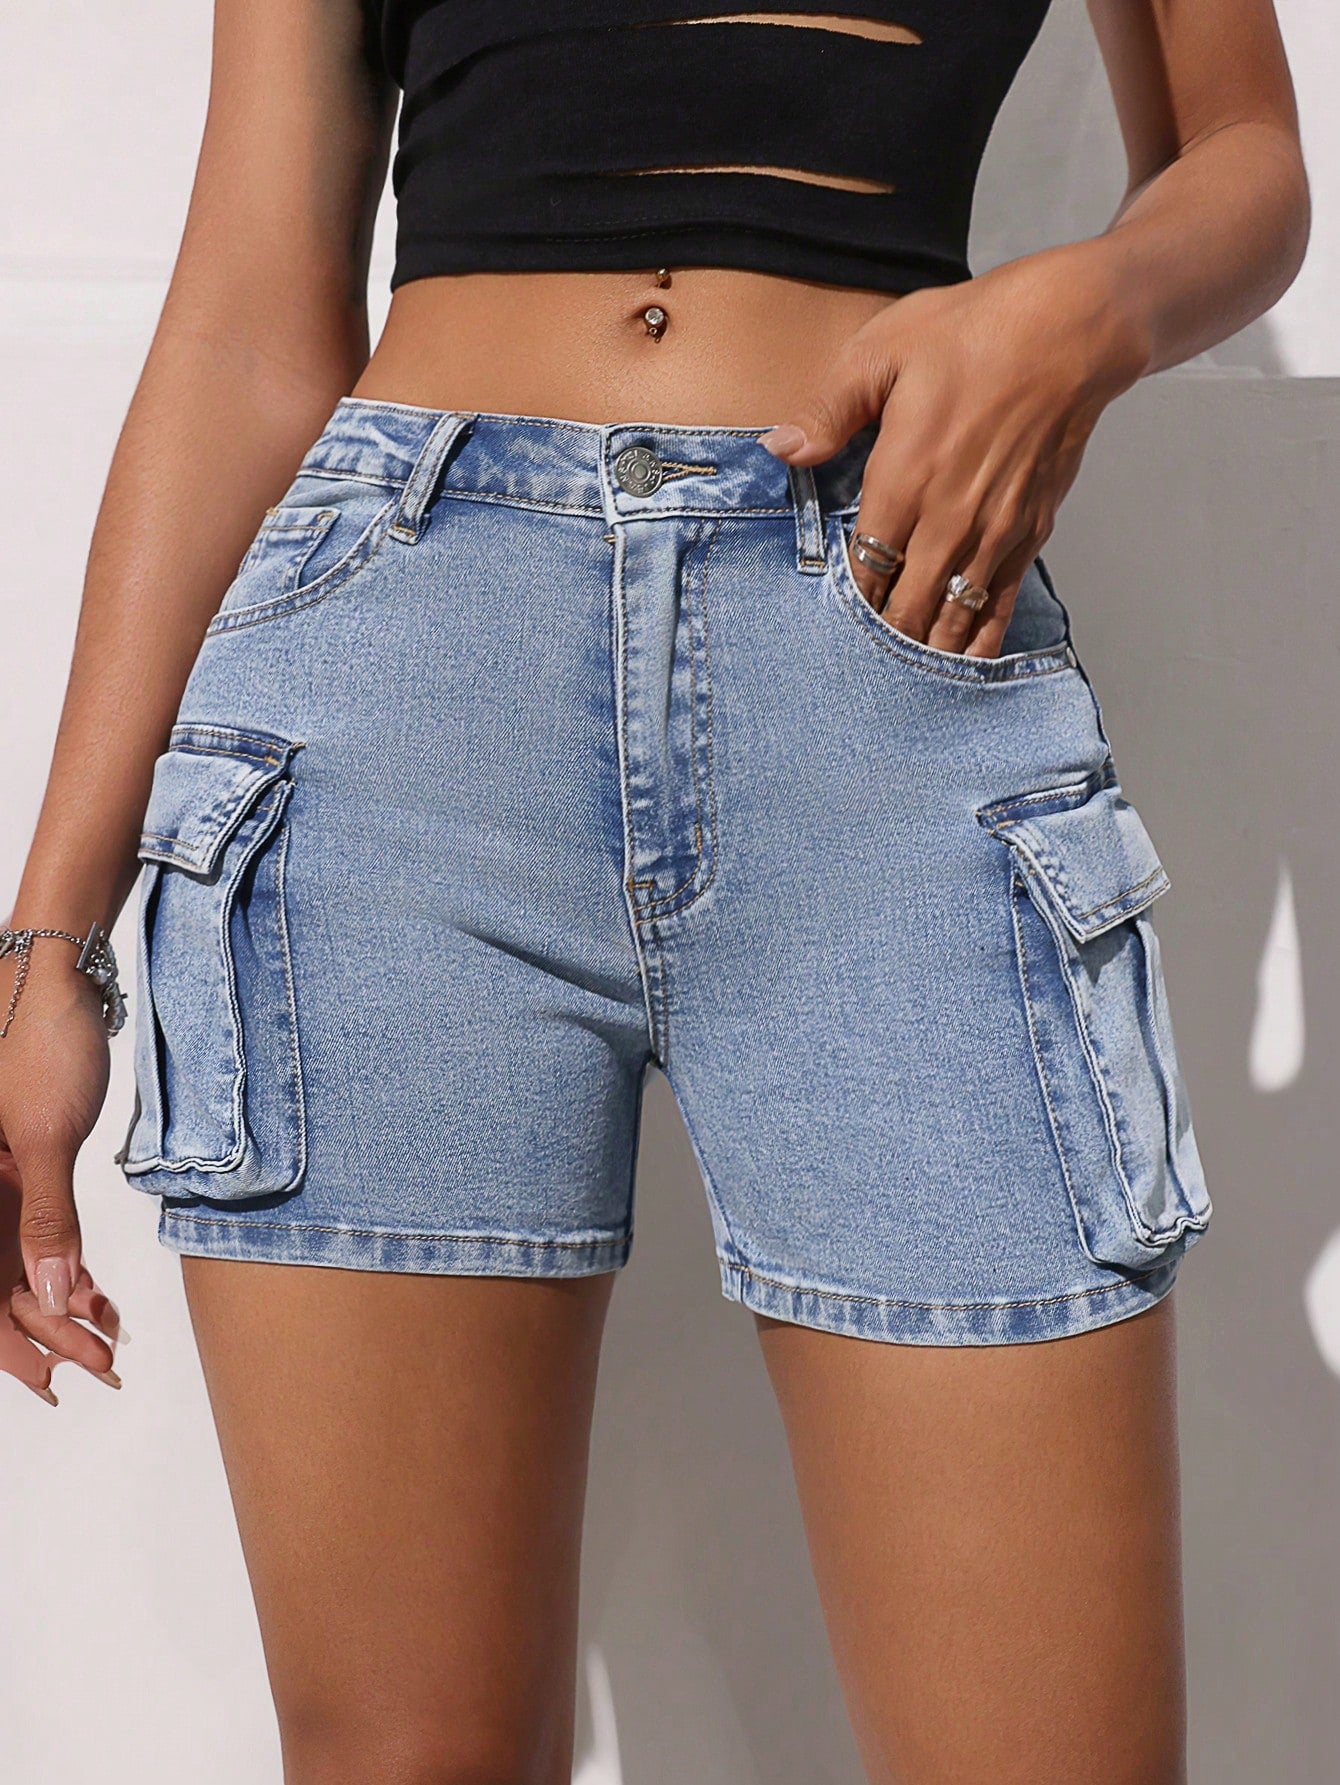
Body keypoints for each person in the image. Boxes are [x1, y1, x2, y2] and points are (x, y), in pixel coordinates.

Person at [0, 2, 1308, 1779]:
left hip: (892, 652)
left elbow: (1244, 158)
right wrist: (50, 944)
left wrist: (1083, 308)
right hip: (399, 703)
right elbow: (247, 314)